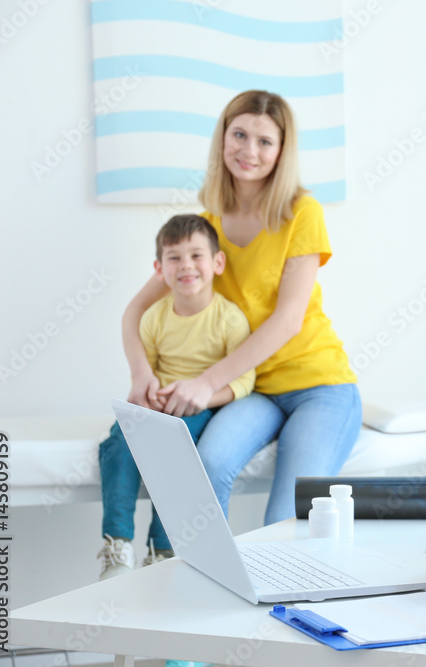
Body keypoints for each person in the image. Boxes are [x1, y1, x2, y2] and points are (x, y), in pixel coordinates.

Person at [121, 90, 361, 526]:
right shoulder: (206, 229)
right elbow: (135, 310)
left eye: (265, 141)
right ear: (222, 139)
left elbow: (288, 321)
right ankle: (210, 584)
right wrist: (141, 375)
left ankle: (283, 594)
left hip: (320, 386)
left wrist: (205, 382)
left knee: (285, 519)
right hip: (256, 389)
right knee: (207, 465)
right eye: (239, 135)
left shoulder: (302, 213)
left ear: (282, 151)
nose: (249, 150)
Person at [98, 215, 254, 580]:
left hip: (204, 408)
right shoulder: (153, 318)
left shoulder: (229, 319)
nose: (186, 265)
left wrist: (203, 399)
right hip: (161, 407)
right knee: (118, 442)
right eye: (174, 257)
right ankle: (117, 545)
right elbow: (146, 372)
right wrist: (148, 393)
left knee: (174, 447)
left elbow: (244, 381)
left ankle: (163, 549)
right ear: (159, 268)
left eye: (196, 255)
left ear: (217, 263)